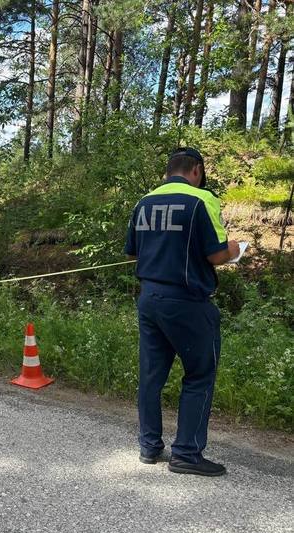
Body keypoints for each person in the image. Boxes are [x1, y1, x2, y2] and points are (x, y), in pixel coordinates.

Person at [124, 147, 240, 477]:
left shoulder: (143, 202)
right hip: (187, 301)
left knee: (151, 375)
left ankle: (149, 445)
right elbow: (217, 255)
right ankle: (187, 453)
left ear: (168, 171)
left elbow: (133, 254)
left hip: (149, 298)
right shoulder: (201, 200)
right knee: (200, 373)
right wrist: (235, 249)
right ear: (196, 170)